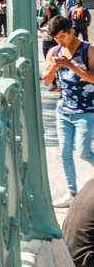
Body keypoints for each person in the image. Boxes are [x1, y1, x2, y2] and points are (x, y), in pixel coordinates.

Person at [42, 14, 94, 207]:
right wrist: (54, 67)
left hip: (86, 110)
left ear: (72, 31)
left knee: (83, 152)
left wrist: (71, 65)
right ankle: (72, 193)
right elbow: (46, 80)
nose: (60, 41)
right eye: (56, 39)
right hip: (63, 110)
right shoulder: (54, 51)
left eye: (63, 37)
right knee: (64, 153)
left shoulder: (87, 50)